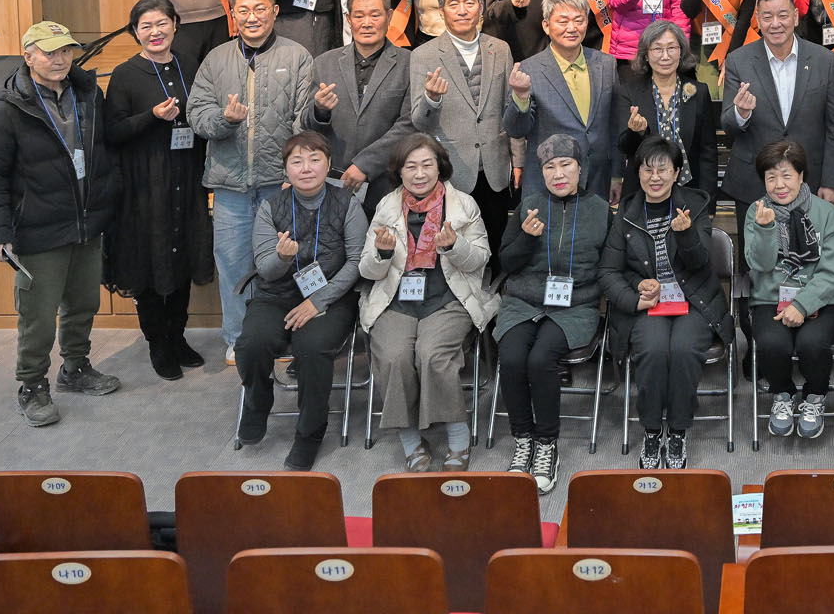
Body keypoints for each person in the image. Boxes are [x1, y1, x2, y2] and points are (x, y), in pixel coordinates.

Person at [0, 20, 123, 426]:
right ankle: (32, 384)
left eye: (66, 51)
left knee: (84, 303)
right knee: (38, 316)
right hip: (38, 231)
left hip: (85, 223)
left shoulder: (88, 93)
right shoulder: (3, 112)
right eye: (50, 52)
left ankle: (75, 367)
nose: (60, 59)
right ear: (28, 56)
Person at [187, 0, 316, 362]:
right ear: (234, 15)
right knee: (233, 264)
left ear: (274, 11)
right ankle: (238, 339)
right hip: (230, 185)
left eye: (260, 9)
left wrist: (293, 174)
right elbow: (196, 114)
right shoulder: (216, 59)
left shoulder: (297, 56)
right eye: (243, 10)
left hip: (280, 186)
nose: (252, 17)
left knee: (284, 263)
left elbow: (303, 122)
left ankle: (283, 336)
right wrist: (224, 120)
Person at [359, 133, 496, 472]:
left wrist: (454, 247)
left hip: (448, 298)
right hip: (396, 300)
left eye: (426, 165)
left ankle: (458, 437)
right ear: (399, 171)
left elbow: (480, 259)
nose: (419, 174)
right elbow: (367, 269)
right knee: (393, 356)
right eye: (411, 167)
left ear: (440, 167)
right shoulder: (386, 206)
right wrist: (382, 254)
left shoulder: (463, 204)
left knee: (433, 355)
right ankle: (410, 439)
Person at [235, 131, 365, 471]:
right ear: (286, 169)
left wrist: (319, 301)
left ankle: (309, 434)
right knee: (251, 344)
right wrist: (282, 257)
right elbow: (265, 268)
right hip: (277, 295)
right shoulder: (270, 206)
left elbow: (357, 262)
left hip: (331, 297)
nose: (306, 168)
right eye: (297, 161)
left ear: (328, 164)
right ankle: (257, 403)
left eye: (314, 159)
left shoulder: (348, 204)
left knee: (312, 348)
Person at [102, 0, 214, 381]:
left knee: (183, 257)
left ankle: (177, 336)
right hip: (145, 184)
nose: (155, 32)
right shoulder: (125, 74)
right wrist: (151, 116)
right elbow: (113, 132)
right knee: (149, 263)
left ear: (175, 25)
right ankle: (157, 343)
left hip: (187, 177)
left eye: (162, 23)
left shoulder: (189, 64)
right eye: (146, 26)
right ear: (135, 32)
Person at [493, 134, 611, 492]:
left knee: (541, 358)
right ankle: (523, 439)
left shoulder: (600, 210)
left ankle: (546, 444)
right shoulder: (529, 205)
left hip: (576, 304)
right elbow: (507, 263)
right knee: (512, 357)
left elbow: (610, 267)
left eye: (565, 165)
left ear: (580, 168)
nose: (558, 174)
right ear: (541, 172)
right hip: (523, 301)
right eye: (549, 167)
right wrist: (526, 238)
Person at [600, 138, 727, 470]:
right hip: (648, 304)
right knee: (654, 350)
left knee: (683, 349)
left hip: (693, 299)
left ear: (676, 172)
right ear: (638, 172)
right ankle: (653, 430)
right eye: (647, 169)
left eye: (663, 169)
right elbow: (608, 272)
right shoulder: (626, 213)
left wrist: (686, 235)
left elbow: (701, 264)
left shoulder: (694, 205)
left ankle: (679, 431)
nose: (655, 177)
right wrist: (635, 294)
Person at [744, 140, 834, 440]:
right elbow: (760, 265)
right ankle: (783, 395)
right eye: (771, 177)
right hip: (770, 298)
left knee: (812, 344)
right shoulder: (756, 211)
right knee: (771, 343)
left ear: (801, 176)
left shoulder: (825, 212)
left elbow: (831, 272)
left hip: (821, 301)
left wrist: (801, 305)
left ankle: (815, 397)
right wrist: (765, 229)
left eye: (786, 175)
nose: (779, 185)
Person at [407, 0, 517, 247]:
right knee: (453, 247)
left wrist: (519, 160)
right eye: (453, 3)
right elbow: (419, 123)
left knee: (495, 245)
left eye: (469, 2)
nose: (462, 10)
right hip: (451, 170)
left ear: (481, 7)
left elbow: (510, 110)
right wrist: (432, 98)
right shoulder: (424, 55)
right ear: (441, 11)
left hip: (495, 167)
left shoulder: (500, 49)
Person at [721, 0, 834, 204]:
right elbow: (728, 125)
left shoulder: (824, 60)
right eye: (767, 17)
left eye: (783, 15)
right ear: (758, 21)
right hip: (753, 183)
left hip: (809, 180)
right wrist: (740, 112)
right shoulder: (738, 61)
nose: (775, 24)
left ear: (795, 17)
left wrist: (831, 181)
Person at [505, 0, 623, 201]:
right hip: (548, 185)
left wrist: (616, 175)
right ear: (546, 26)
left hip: (597, 181)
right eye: (563, 21)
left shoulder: (606, 64)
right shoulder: (529, 69)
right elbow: (516, 129)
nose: (572, 28)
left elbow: (615, 125)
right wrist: (520, 97)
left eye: (579, 20)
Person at [302, 0, 413, 210]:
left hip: (388, 184)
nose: (367, 23)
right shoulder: (324, 62)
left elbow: (410, 124)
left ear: (389, 16)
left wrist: (365, 164)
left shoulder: (409, 63)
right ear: (348, 19)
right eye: (359, 16)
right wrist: (319, 110)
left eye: (375, 15)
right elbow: (305, 124)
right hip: (334, 182)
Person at [614, 20, 716, 193]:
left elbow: (708, 153)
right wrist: (635, 132)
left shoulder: (699, 92)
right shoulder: (628, 92)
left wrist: (707, 200)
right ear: (646, 55)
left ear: (681, 52)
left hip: (689, 192)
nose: (665, 56)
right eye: (657, 49)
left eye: (672, 48)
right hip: (642, 193)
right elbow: (625, 147)